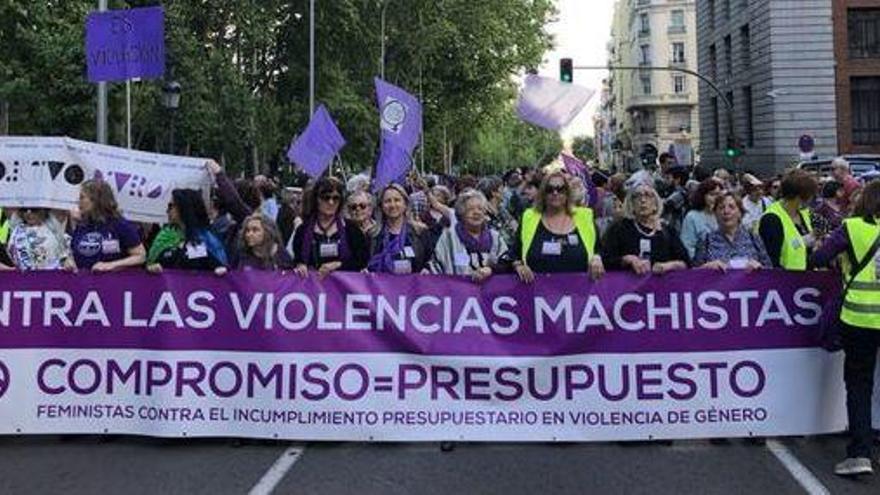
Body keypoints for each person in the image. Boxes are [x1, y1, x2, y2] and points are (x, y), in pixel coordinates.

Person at [811, 180, 880, 476]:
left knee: (860, 385)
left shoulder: (851, 228)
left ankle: (860, 454)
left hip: (860, 318)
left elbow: (818, 258)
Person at [510, 171, 604, 283]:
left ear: (567, 193)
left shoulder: (585, 216)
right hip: (537, 294)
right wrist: (519, 266)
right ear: (543, 193)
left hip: (580, 294)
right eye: (549, 189)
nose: (555, 193)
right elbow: (514, 253)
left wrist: (597, 258)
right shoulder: (529, 217)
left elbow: (599, 248)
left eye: (560, 189)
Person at [602, 182, 689, 275]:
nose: (643, 200)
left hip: (661, 287)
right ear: (631, 204)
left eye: (648, 195)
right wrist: (627, 259)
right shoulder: (619, 228)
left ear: (655, 204)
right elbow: (605, 260)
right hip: (627, 288)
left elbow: (685, 263)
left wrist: (667, 266)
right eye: (637, 196)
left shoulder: (667, 230)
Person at [292, 176, 370, 278]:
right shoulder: (302, 230)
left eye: (336, 198)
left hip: (343, 290)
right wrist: (300, 265)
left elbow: (362, 261)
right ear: (316, 199)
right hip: (312, 289)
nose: (331, 202)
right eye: (326, 197)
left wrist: (339, 265)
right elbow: (297, 259)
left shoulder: (352, 229)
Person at [69, 179, 145, 272]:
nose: (78, 201)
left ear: (96, 200)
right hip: (84, 283)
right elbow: (74, 252)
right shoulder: (82, 224)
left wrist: (111, 265)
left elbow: (141, 256)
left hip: (112, 283)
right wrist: (70, 262)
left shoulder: (120, 225)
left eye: (82, 197)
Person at [146, 189, 228, 274]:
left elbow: (220, 268)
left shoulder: (206, 239)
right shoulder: (165, 234)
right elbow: (152, 265)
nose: (167, 211)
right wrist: (152, 268)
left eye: (171, 206)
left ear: (183, 208)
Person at [431, 189, 507, 282]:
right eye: (470, 209)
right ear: (461, 213)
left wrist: (491, 269)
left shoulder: (496, 237)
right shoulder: (448, 237)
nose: (476, 212)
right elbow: (436, 265)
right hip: (456, 293)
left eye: (480, 209)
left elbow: (506, 263)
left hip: (492, 293)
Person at [693, 192, 772, 270]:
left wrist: (759, 268)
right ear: (715, 213)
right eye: (721, 208)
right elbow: (693, 275)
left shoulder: (754, 239)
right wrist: (706, 268)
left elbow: (770, 271)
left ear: (740, 213)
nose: (726, 211)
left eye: (731, 207)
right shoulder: (705, 240)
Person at [368, 183, 433, 274]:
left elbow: (430, 259)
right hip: (381, 286)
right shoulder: (373, 234)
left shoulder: (420, 231)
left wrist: (427, 269)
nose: (392, 205)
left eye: (397, 200)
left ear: (405, 204)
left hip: (414, 286)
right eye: (387, 201)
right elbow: (366, 264)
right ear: (381, 206)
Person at [759, 169, 818, 270]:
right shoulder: (771, 219)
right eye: (809, 196)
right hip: (785, 280)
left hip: (806, 277)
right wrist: (801, 242)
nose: (811, 200)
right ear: (798, 197)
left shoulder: (804, 213)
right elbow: (771, 259)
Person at [6, 208, 71, 270]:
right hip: (24, 279)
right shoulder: (16, 230)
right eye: (24, 209)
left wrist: (66, 262)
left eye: (34, 209)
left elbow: (64, 256)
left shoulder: (53, 231)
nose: (29, 212)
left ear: (43, 210)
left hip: (51, 277)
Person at [679, 178, 724, 259]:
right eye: (711, 194)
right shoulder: (692, 217)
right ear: (703, 196)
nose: (715, 198)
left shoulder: (724, 215)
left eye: (718, 194)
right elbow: (687, 247)